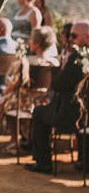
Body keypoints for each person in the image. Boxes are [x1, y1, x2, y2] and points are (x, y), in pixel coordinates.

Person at [26, 19, 89, 174]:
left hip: (71, 114)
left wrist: (63, 67)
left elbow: (58, 84)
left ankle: (44, 162)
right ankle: (83, 160)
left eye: (74, 36)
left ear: (87, 37)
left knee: (39, 112)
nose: (70, 39)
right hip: (83, 114)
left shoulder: (78, 58)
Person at [0, 26, 58, 151]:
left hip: (23, 102)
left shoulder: (26, 62)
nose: (28, 42)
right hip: (45, 101)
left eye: (31, 40)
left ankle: (13, 140)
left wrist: (5, 92)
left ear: (37, 44)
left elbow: (16, 83)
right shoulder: (54, 63)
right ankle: (28, 138)